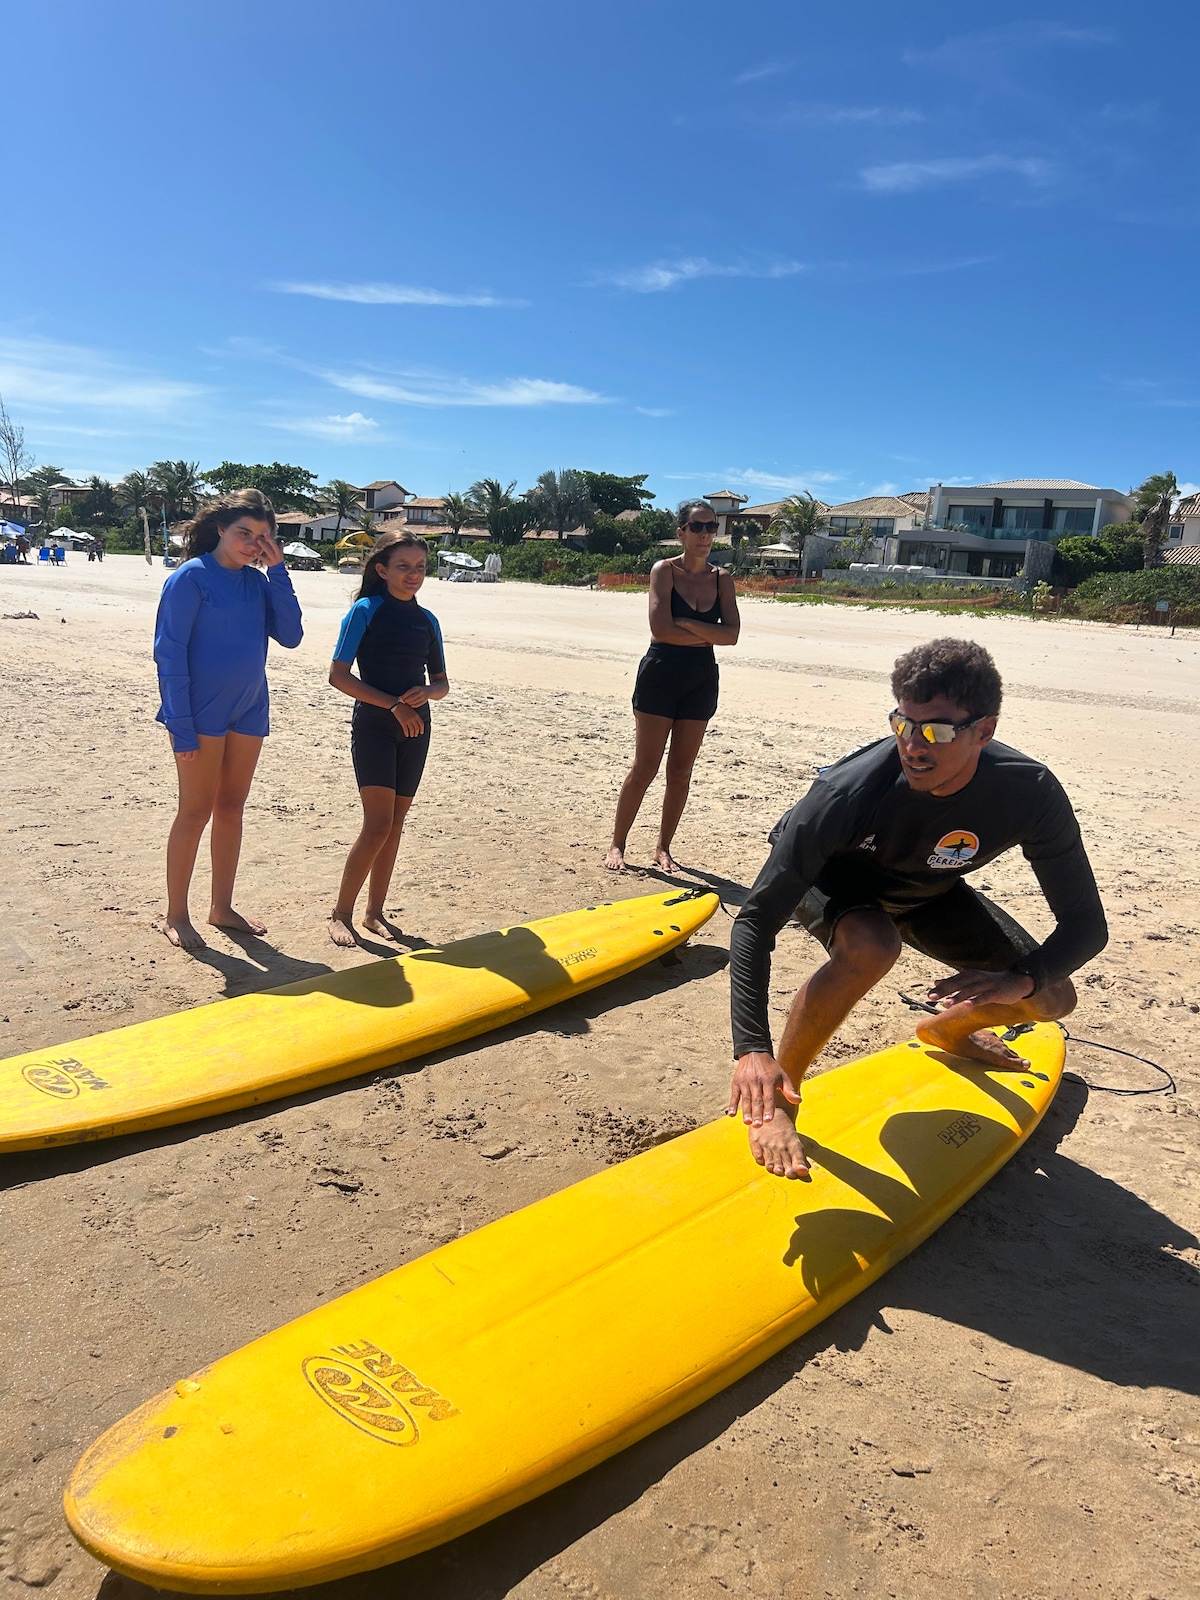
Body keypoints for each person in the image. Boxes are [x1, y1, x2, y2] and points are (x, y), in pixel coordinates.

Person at [726, 637, 1107, 1181]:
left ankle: (949, 1031)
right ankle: (780, 1104)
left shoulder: (1029, 792)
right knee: (872, 946)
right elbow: (754, 922)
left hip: (927, 888)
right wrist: (752, 1051)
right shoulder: (846, 794)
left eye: (937, 730)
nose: (914, 744)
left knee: (1053, 994)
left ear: (985, 730)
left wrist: (1018, 981)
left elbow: (1087, 926)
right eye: (903, 723)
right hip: (835, 879)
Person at [153, 489, 303, 951]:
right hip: (200, 711)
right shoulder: (191, 578)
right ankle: (176, 913)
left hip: (249, 706)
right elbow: (169, 653)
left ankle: (221, 907)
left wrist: (278, 570)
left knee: (232, 808)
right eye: (245, 533)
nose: (254, 543)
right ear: (220, 530)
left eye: (263, 536)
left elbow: (292, 635)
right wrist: (179, 722)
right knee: (195, 811)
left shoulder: (259, 583)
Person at [327, 531, 450, 947]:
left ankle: (374, 913)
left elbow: (442, 684)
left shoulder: (427, 620)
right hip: (375, 727)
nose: (413, 574)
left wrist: (426, 694)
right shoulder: (365, 611)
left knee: (395, 826)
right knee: (377, 825)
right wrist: (394, 705)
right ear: (382, 570)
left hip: (416, 729)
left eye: (419, 567)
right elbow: (339, 677)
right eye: (403, 566)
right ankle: (341, 913)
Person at [605, 500, 740, 873]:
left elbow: (732, 636)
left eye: (711, 527)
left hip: (701, 678)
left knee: (681, 770)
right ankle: (617, 844)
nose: (705, 534)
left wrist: (688, 623)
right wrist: (706, 632)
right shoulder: (663, 571)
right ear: (681, 532)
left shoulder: (721, 578)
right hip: (660, 673)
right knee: (645, 766)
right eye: (697, 527)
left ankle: (663, 848)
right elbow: (660, 631)